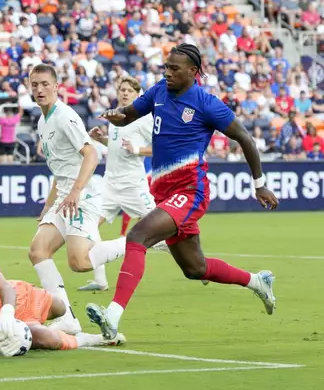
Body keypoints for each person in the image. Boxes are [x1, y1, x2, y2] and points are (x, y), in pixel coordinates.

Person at [85, 44, 280, 340]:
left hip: (190, 191)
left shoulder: (207, 103)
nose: (167, 73)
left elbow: (245, 138)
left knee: (138, 236)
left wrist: (259, 184)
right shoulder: (159, 91)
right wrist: (116, 115)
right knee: (195, 268)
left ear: (193, 72)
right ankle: (257, 282)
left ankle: (112, 316)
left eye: (174, 68)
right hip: (164, 192)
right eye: (166, 66)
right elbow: (129, 113)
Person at [27, 63, 127, 338]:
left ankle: (140, 241)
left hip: (82, 195)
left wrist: (75, 191)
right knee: (37, 251)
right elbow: (60, 168)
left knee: (80, 263)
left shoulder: (65, 117)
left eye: (45, 83)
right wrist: (49, 204)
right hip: (64, 196)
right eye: (34, 84)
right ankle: (68, 318)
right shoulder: (42, 121)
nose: (39, 89)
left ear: (57, 86)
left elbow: (91, 155)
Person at [0, 248, 126, 357]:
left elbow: (5, 289)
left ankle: (57, 326)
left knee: (61, 307)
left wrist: (7, 313)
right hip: (13, 325)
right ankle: (94, 338)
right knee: (46, 338)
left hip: (21, 296)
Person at [79, 76, 169, 291]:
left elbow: (162, 147)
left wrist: (138, 150)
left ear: (138, 94)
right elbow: (118, 146)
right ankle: (100, 281)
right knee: (88, 226)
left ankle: (198, 266)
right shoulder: (117, 116)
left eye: (129, 90)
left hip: (133, 186)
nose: (125, 93)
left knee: (163, 232)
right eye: (122, 89)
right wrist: (102, 139)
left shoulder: (145, 119)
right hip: (110, 186)